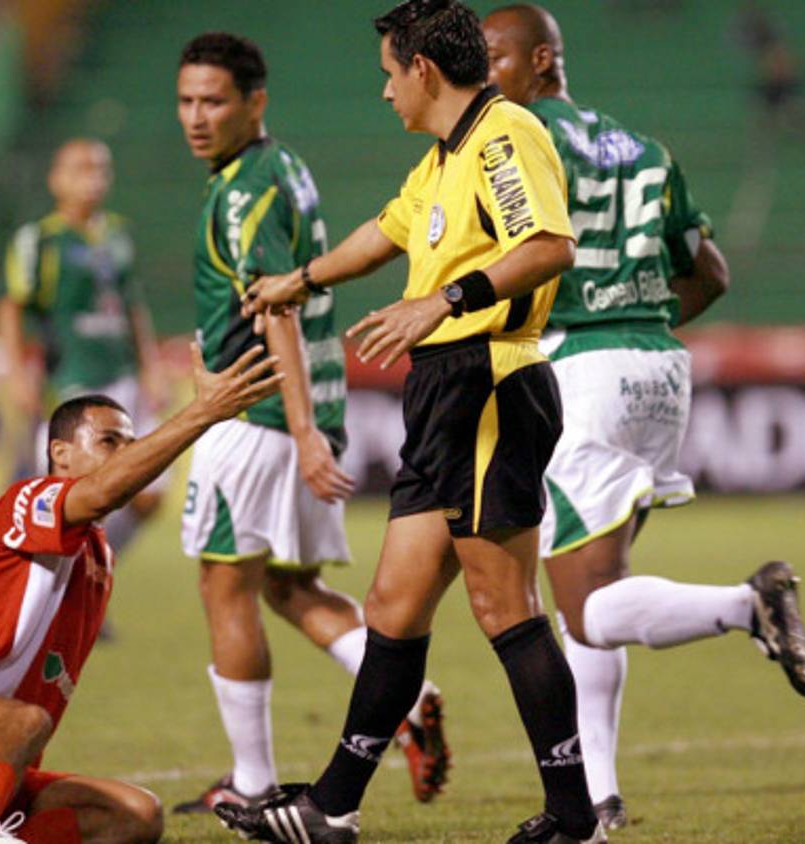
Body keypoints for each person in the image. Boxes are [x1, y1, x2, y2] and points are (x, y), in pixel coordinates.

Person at [222, 2, 604, 841]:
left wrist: (444, 299)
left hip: (490, 380)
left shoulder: (505, 133)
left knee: (504, 605)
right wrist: (303, 280)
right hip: (444, 390)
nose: (386, 91)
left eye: (390, 74)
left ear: (423, 69)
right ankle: (331, 809)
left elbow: (546, 244)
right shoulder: (444, 159)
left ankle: (576, 817)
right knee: (392, 606)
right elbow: (385, 233)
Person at [481, 3, 805, 830]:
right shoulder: (644, 149)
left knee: (583, 609)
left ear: (540, 62)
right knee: (603, 596)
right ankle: (598, 795)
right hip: (658, 370)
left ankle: (749, 605)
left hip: (579, 371)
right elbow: (710, 271)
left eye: (492, 57)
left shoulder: (517, 142)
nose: (479, 74)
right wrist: (634, 313)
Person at [171, 31, 450, 814]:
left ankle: (253, 783)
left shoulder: (241, 193)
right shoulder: (277, 167)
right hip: (302, 409)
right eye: (187, 100)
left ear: (254, 102)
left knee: (224, 588)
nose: (196, 117)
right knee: (291, 587)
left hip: (255, 410)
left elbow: (277, 308)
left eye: (214, 101)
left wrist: (295, 431)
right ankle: (411, 694)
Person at [0, 342, 284, 844]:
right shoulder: (25, 501)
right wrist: (203, 412)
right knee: (23, 719)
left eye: (131, 443)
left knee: (137, 815)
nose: (125, 455)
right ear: (60, 452)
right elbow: (104, 492)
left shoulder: (99, 556)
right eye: (110, 442)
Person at [0, 138, 167, 564]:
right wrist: (17, 374)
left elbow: (132, 307)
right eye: (80, 169)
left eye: (100, 169)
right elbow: (12, 307)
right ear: (56, 180)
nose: (93, 178)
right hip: (73, 382)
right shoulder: (40, 240)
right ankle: (52, 590)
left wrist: (151, 366)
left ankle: (93, 570)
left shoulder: (118, 233)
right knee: (72, 499)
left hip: (124, 376)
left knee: (152, 493)